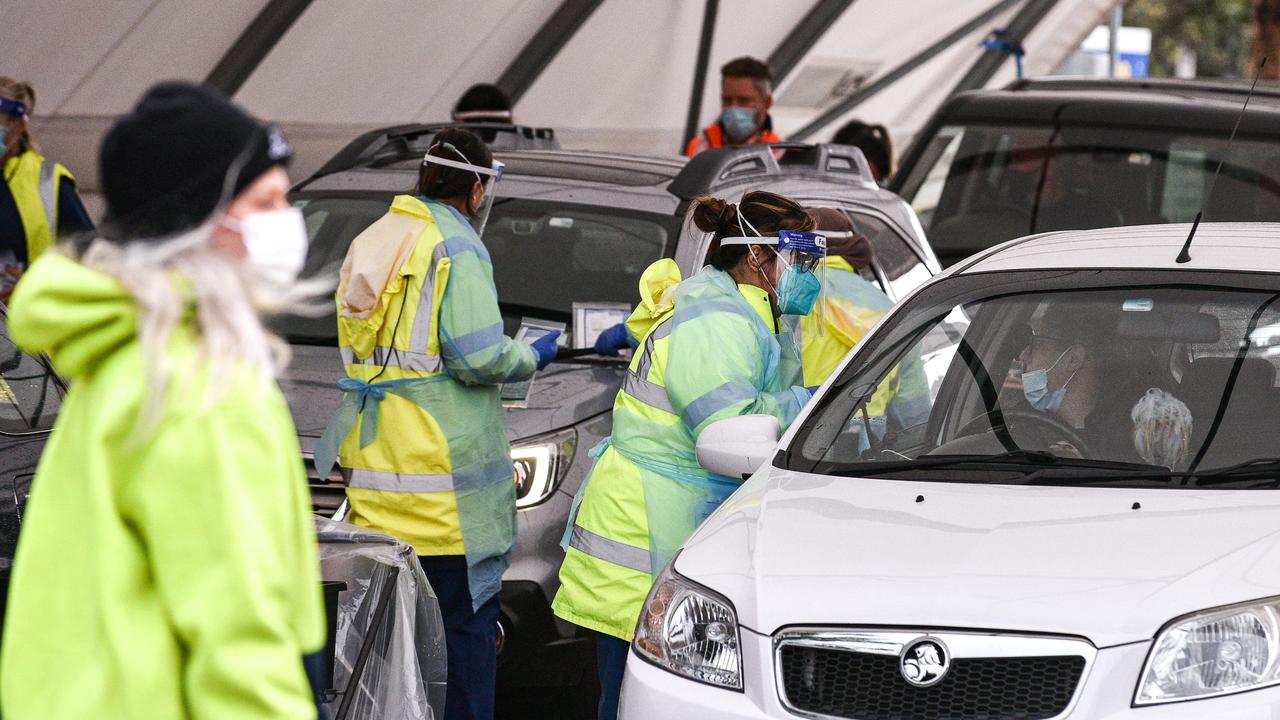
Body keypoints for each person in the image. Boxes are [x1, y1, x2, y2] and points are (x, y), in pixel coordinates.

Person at [0, 81, 324, 718]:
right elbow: (240, 647)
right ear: (199, 222)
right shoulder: (204, 390)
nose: (288, 220)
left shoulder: (119, 361)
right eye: (265, 201)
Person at [314, 127, 558, 720]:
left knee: (391, 649)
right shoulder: (456, 245)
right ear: (476, 186)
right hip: (448, 496)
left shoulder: (374, 238)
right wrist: (533, 355)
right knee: (465, 641)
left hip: (380, 486)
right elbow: (479, 356)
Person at [553, 191, 819, 720]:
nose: (808, 273)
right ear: (757, 258)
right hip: (643, 529)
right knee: (641, 699)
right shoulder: (716, 322)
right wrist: (801, 405)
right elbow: (730, 427)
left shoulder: (736, 309)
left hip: (661, 518)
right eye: (799, 257)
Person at [0, 77, 94, 302]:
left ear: (17, 127)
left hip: (29, 323)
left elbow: (91, 264)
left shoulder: (48, 181)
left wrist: (37, 286)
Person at [685, 57, 782, 157]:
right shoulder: (699, 147)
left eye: (744, 100)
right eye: (727, 100)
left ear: (767, 103)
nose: (733, 108)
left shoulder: (778, 153)